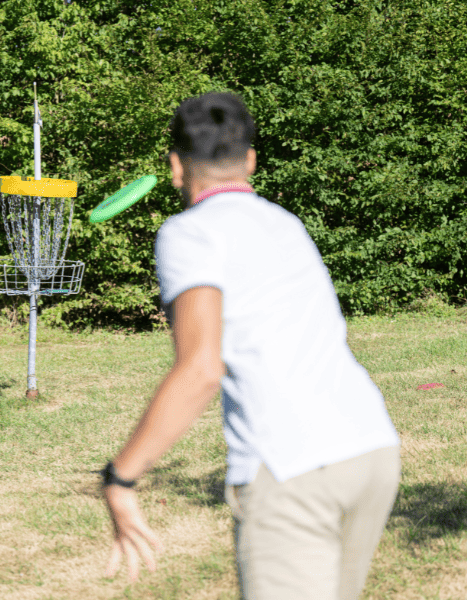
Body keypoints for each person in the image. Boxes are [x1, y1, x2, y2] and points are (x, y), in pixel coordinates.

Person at [100, 92, 401, 600]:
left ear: (176, 166)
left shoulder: (189, 234)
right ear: (251, 161)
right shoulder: (286, 224)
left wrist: (121, 477)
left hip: (293, 467)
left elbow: (200, 370)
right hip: (371, 449)